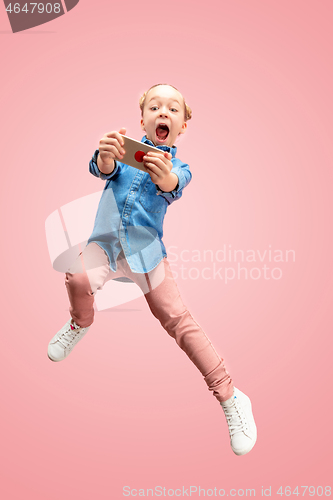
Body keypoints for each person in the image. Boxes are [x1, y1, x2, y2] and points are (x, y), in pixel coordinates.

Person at [47, 83, 257, 456]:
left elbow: (173, 185)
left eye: (173, 109)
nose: (164, 112)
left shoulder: (179, 168)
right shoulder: (123, 157)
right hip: (105, 248)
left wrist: (165, 177)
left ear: (182, 126)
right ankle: (81, 322)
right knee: (77, 275)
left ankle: (231, 396)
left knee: (178, 319)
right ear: (142, 119)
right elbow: (102, 169)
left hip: (147, 255)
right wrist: (107, 155)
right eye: (155, 107)